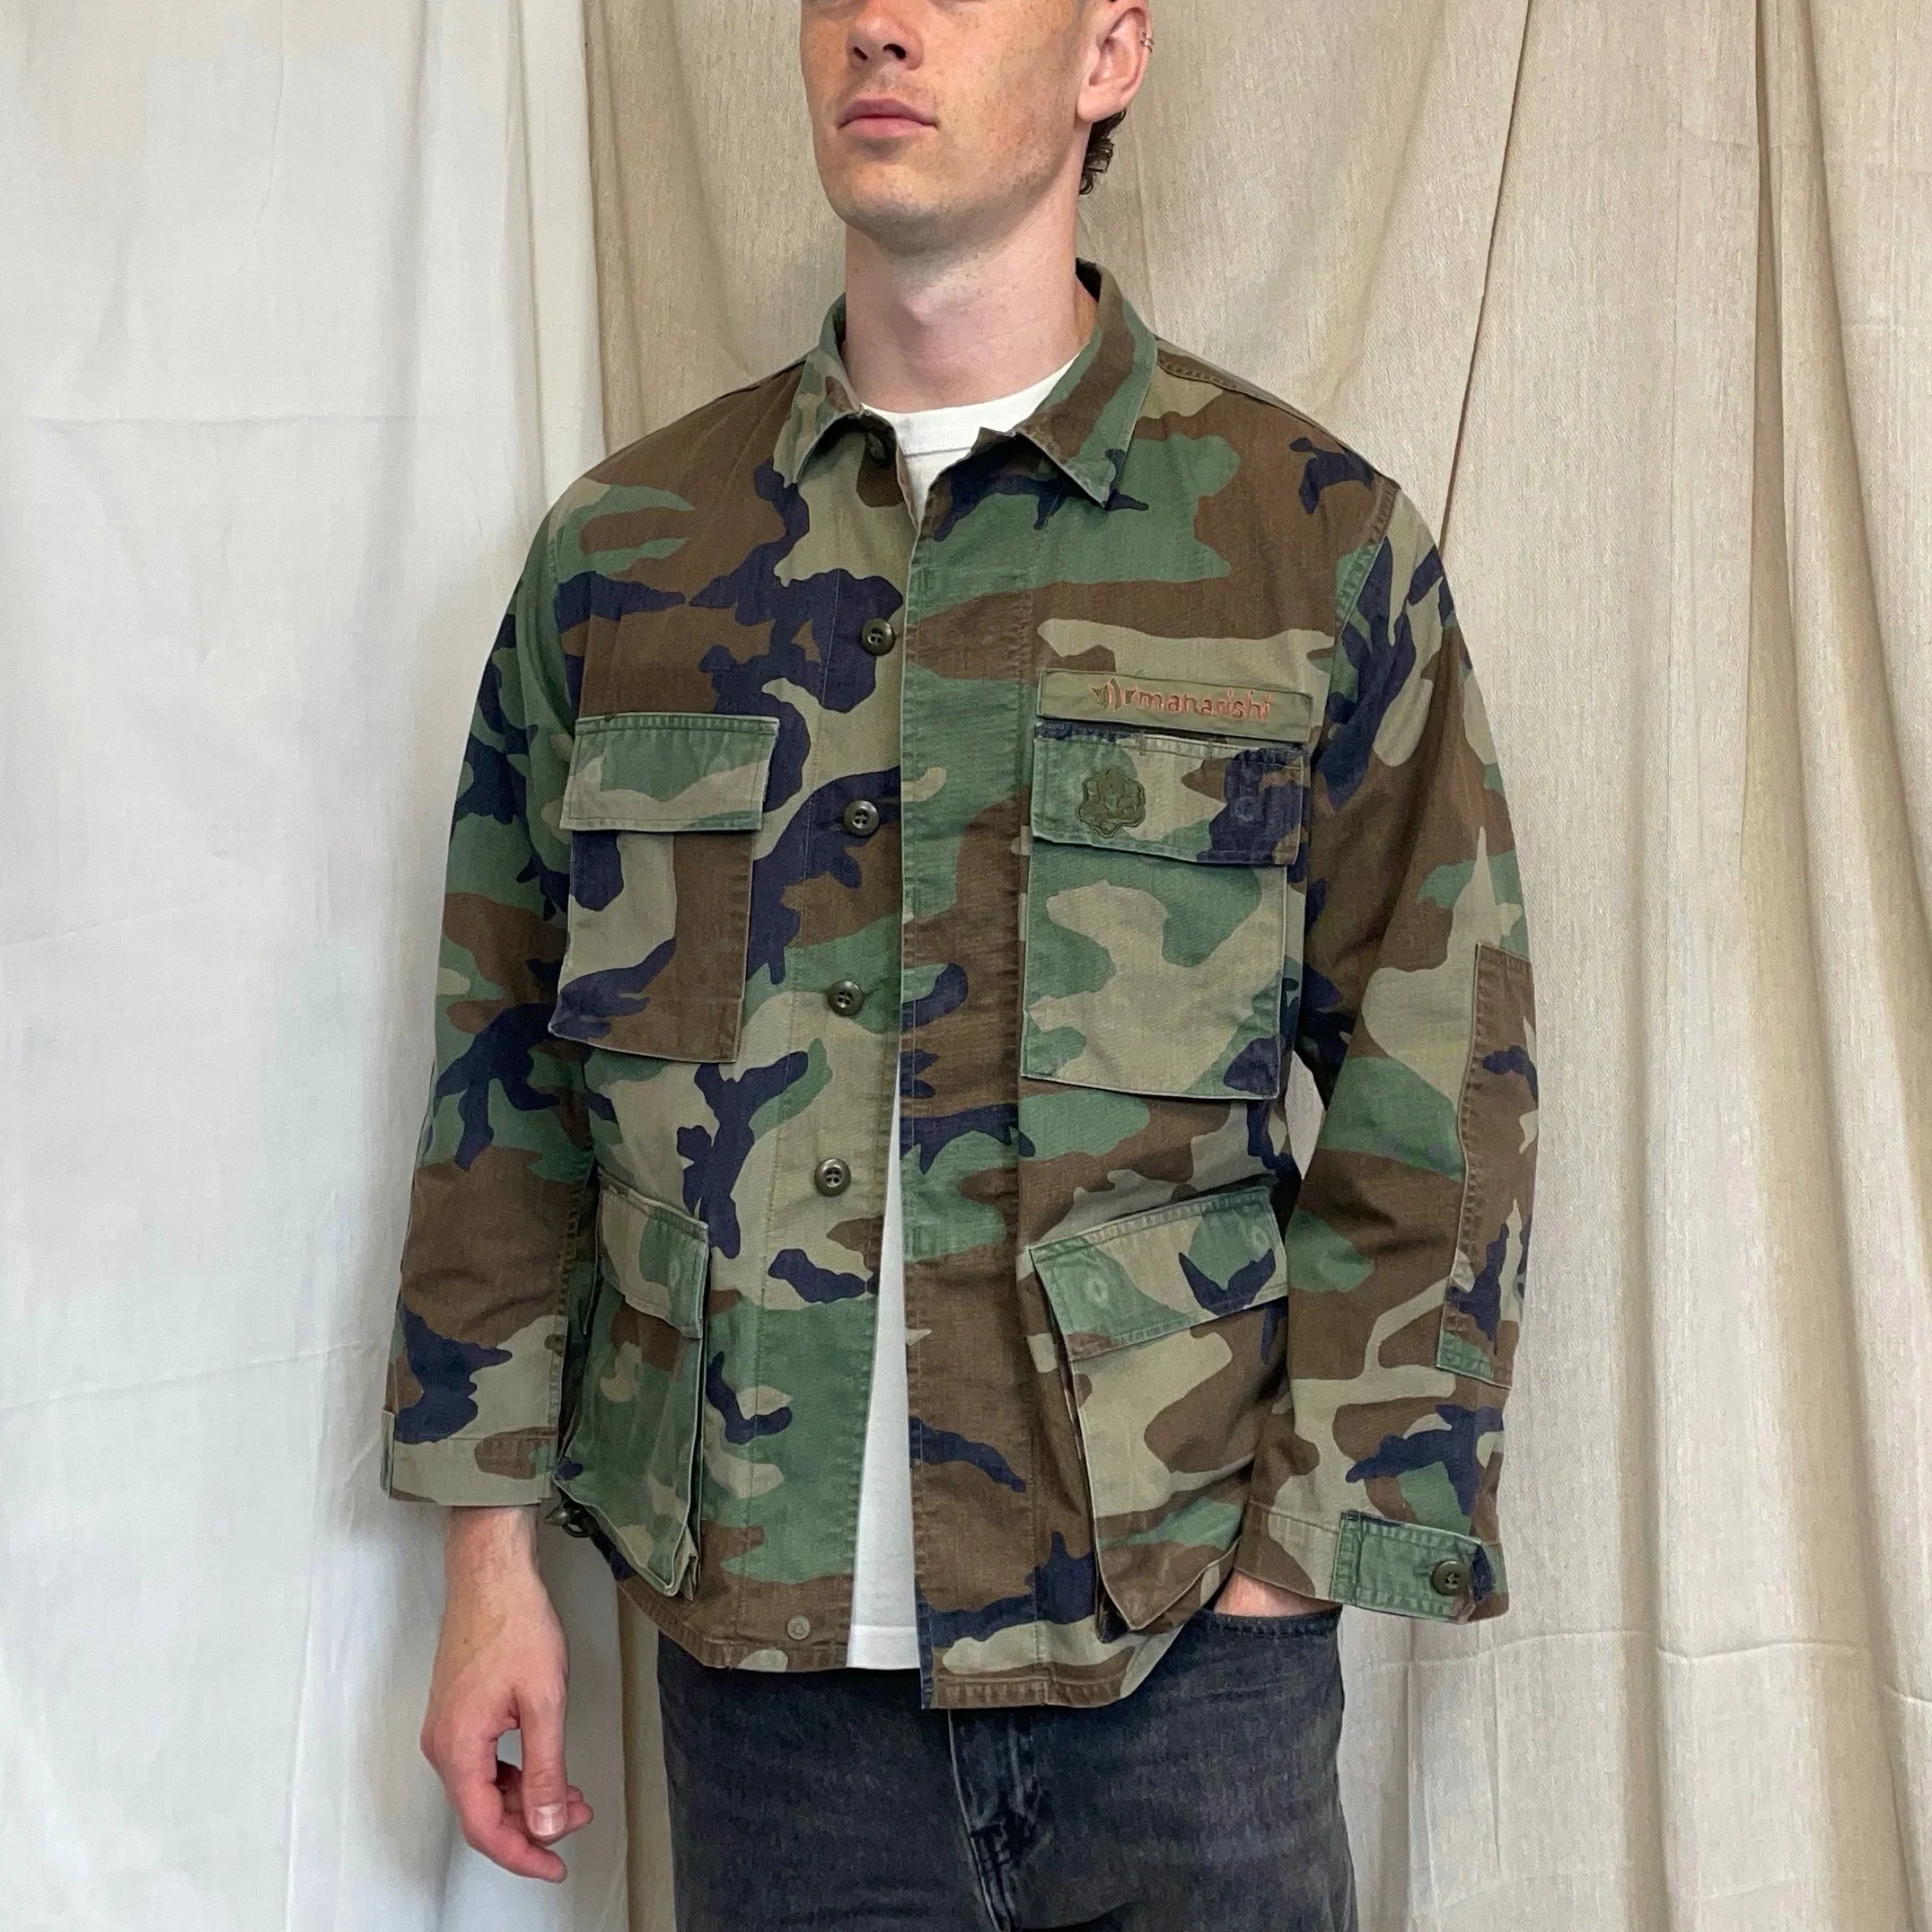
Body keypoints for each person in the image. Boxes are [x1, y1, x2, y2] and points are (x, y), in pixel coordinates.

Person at [377, 2, 1541, 1925]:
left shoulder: (1304, 544)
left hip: (1179, 1655)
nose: (877, 25)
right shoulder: (625, 559)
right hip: (764, 1681)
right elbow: (503, 1078)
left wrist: (1293, 1566)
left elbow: (1444, 1096)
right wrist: (488, 1561)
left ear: (1107, 56)